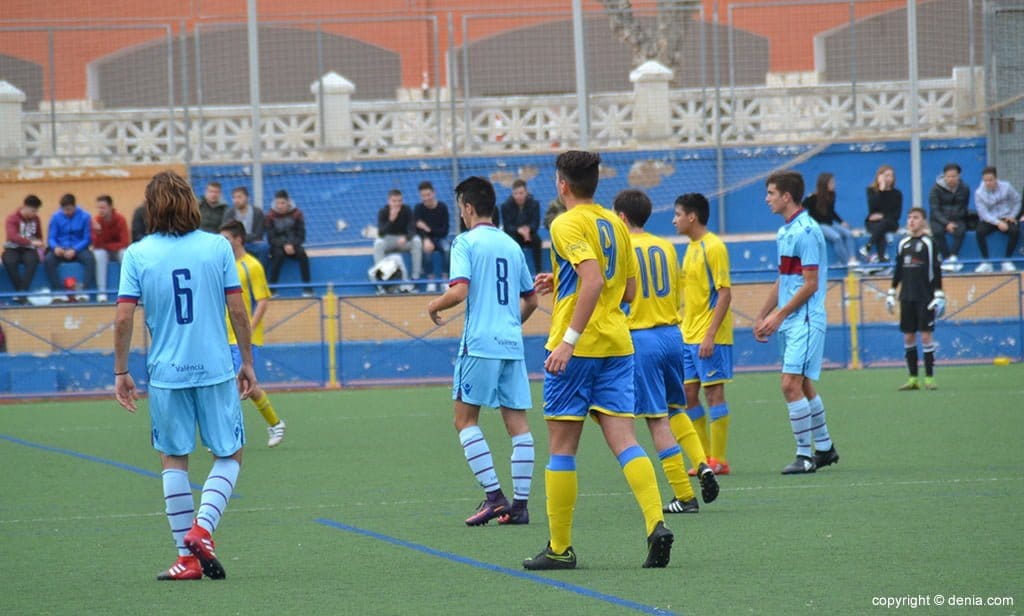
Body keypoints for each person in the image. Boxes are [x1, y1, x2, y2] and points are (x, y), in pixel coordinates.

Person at [524, 150, 672, 571]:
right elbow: (626, 291)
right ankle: (656, 523)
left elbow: (592, 278)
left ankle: (559, 548)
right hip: (617, 345)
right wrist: (561, 277)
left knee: (562, 449)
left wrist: (568, 341)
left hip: (577, 351)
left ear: (562, 184)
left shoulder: (565, 223)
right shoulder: (615, 223)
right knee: (625, 441)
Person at [113, 170, 255, 581]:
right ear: (192, 204)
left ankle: (186, 557)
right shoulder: (217, 247)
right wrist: (246, 361)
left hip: (166, 373)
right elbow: (239, 310)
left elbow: (123, 317)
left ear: (151, 209)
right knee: (230, 455)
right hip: (214, 368)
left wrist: (121, 370)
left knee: (173, 460)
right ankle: (202, 530)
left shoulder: (138, 254)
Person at [426, 176, 538, 526]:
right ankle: (519, 506)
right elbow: (531, 298)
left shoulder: (465, 242)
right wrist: (509, 325)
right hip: (511, 345)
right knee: (518, 425)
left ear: (469, 208)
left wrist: (434, 305)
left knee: (464, 420)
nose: (461, 214)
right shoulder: (511, 244)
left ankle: (494, 497)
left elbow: (459, 291)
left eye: (461, 207)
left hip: (479, 345)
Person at [615, 189, 719, 515]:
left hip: (642, 338)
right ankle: (702, 463)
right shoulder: (667, 246)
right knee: (677, 407)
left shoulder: (622, 248)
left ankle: (684, 496)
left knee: (656, 419)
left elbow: (618, 296)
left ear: (621, 217)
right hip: (672, 334)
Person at [754, 170, 839, 475]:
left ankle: (805, 456)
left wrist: (779, 315)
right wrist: (763, 314)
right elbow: (784, 278)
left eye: (771, 193)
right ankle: (826, 448)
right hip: (791, 320)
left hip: (804, 319)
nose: (767, 199)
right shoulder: (784, 232)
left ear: (786, 197)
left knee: (790, 384)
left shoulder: (806, 231)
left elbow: (811, 284)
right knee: (802, 383)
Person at [674, 192, 735, 478]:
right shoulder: (691, 247)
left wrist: (710, 335)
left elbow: (724, 293)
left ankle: (719, 459)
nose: (674, 220)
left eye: (677, 215)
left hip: (710, 335)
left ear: (692, 217)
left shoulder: (714, 247)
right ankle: (705, 459)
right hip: (688, 335)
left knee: (713, 393)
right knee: (688, 395)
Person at [220, 220, 287, 446]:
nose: (223, 243)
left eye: (226, 238)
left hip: (244, 338)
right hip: (222, 336)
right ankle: (276, 423)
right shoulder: (222, 265)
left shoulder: (252, 266)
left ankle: (228, 436)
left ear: (238, 239)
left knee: (235, 385)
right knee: (238, 385)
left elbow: (263, 300)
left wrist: (247, 328)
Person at [886, 207, 945, 391]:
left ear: (923, 221)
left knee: (926, 336)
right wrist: (891, 291)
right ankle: (912, 378)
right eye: (910, 218)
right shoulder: (903, 243)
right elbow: (898, 270)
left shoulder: (929, 243)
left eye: (916, 218)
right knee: (908, 336)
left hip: (924, 297)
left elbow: (935, 269)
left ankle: (929, 378)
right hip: (907, 297)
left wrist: (939, 293)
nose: (911, 221)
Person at [44, 193, 96, 302]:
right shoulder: (55, 217)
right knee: (48, 260)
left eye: (69, 209)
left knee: (90, 259)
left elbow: (87, 238)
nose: (66, 212)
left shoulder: (85, 216)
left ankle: (84, 291)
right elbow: (51, 238)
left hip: (78, 249)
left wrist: (75, 249)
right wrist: (55, 247)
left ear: (74, 206)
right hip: (60, 250)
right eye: (64, 209)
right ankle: (58, 292)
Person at [803, 172, 858, 267]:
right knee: (836, 237)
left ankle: (852, 258)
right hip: (819, 225)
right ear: (824, 184)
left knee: (848, 234)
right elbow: (802, 210)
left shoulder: (831, 195)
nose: (834, 185)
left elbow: (831, 212)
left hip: (830, 223)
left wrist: (841, 222)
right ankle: (846, 262)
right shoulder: (812, 198)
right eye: (831, 183)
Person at [265, 189, 313, 297]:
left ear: (288, 202)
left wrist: (292, 244)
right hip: (277, 246)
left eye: (283, 203)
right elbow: (271, 238)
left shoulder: (297, 214)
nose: (280, 206)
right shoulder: (270, 216)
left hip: (294, 245)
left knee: (302, 254)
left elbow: (301, 235)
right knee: (278, 255)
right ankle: (272, 289)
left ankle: (308, 289)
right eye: (278, 203)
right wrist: (284, 244)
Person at [973, 166, 1020, 272]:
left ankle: (1007, 261)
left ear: (996, 178)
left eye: (990, 180)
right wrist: (998, 223)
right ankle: (986, 262)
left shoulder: (1007, 187)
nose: (988, 183)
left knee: (1015, 230)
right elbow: (983, 213)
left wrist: (1013, 215)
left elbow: (1017, 201)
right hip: (990, 219)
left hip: (1006, 216)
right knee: (979, 232)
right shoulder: (979, 193)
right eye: (985, 180)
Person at [374, 189, 423, 286]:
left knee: (417, 241)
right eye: (394, 201)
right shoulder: (383, 211)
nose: (397, 204)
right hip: (389, 240)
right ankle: (382, 281)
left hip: (404, 240)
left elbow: (412, 229)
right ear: (389, 201)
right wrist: (391, 219)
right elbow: (381, 233)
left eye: (399, 201)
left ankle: (415, 278)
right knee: (378, 244)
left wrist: (406, 238)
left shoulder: (407, 210)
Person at [928, 162, 970, 271]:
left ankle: (953, 257)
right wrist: (946, 223)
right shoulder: (935, 189)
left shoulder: (964, 188)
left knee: (961, 230)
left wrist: (955, 220)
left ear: (958, 176)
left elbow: (963, 207)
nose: (951, 179)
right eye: (948, 176)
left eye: (954, 176)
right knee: (937, 232)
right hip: (938, 219)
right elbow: (935, 209)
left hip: (957, 218)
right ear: (944, 176)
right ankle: (946, 258)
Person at [3, 195, 44, 304]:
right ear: (25, 207)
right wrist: (30, 242)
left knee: (32, 260)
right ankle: (22, 293)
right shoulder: (12, 218)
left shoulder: (36, 219)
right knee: (9, 261)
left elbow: (39, 235)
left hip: (29, 250)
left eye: (36, 211)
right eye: (33, 211)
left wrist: (39, 243)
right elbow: (13, 236)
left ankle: (21, 293)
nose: (34, 214)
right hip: (13, 248)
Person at [413, 181, 451, 292]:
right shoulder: (418, 208)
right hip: (427, 239)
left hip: (441, 238)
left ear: (434, 193)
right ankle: (431, 280)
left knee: (447, 249)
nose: (426, 198)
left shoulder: (442, 207)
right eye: (423, 196)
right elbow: (417, 229)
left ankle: (445, 279)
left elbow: (444, 230)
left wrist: (428, 229)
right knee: (426, 250)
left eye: (428, 195)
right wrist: (425, 238)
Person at [91, 195, 130, 303]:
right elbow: (96, 245)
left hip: (117, 250)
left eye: (103, 207)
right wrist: (98, 232)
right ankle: (102, 292)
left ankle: (129, 290)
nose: (100, 210)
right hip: (105, 251)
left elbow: (124, 242)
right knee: (99, 254)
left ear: (110, 207)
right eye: (99, 208)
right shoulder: (96, 221)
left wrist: (108, 246)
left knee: (125, 253)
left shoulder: (120, 219)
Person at [861, 165, 903, 264]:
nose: (889, 179)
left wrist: (882, 216)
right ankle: (881, 259)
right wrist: (881, 190)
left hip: (891, 222)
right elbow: (872, 209)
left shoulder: (897, 194)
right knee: (880, 230)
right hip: (873, 223)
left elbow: (896, 214)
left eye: (891, 176)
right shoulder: (871, 191)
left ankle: (868, 246)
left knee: (883, 224)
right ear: (879, 177)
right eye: (886, 176)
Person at [500, 179, 543, 275]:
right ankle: (514, 271)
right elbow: (507, 227)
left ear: (526, 192)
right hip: (515, 235)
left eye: (521, 193)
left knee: (537, 240)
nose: (518, 196)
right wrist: (519, 230)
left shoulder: (534, 204)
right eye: (515, 193)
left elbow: (535, 223)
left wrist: (528, 229)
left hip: (530, 234)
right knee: (512, 242)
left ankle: (539, 271)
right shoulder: (506, 206)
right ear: (512, 193)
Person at [223, 186, 268, 262]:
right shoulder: (229, 213)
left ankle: (260, 270)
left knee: (264, 247)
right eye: (234, 198)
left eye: (239, 197)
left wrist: (241, 238)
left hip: (251, 243)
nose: (236, 200)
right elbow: (227, 233)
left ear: (247, 198)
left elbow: (258, 234)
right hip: (235, 243)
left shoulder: (257, 212)